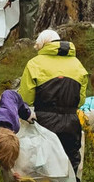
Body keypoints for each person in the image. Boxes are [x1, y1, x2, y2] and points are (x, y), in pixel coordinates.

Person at [18, 29, 88, 172]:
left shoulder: (34, 64)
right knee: (70, 161)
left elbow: (26, 99)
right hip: (71, 122)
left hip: (45, 123)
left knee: (45, 164)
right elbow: (81, 101)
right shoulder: (78, 64)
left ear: (42, 44)